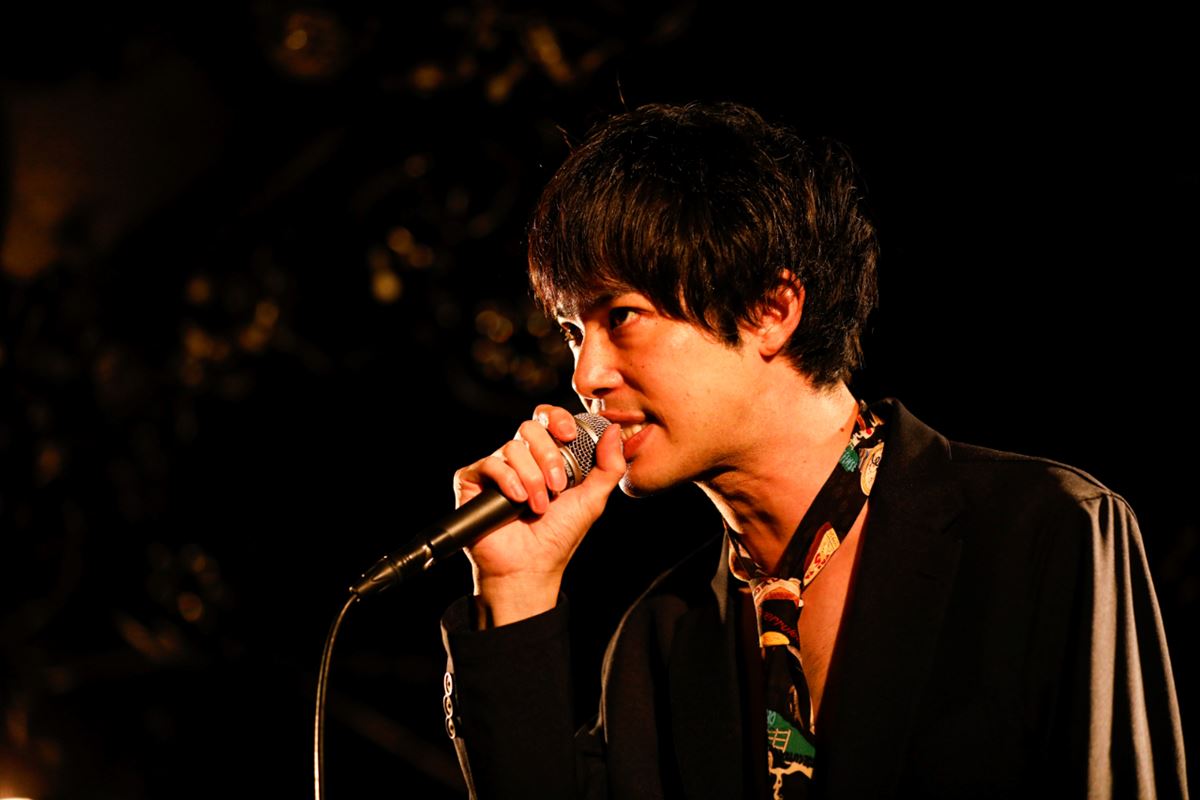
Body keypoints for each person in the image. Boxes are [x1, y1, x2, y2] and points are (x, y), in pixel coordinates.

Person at [438, 102, 1188, 799]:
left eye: (622, 316)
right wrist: (516, 587)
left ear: (771, 310)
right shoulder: (659, 639)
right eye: (574, 332)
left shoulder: (1045, 530)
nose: (586, 376)